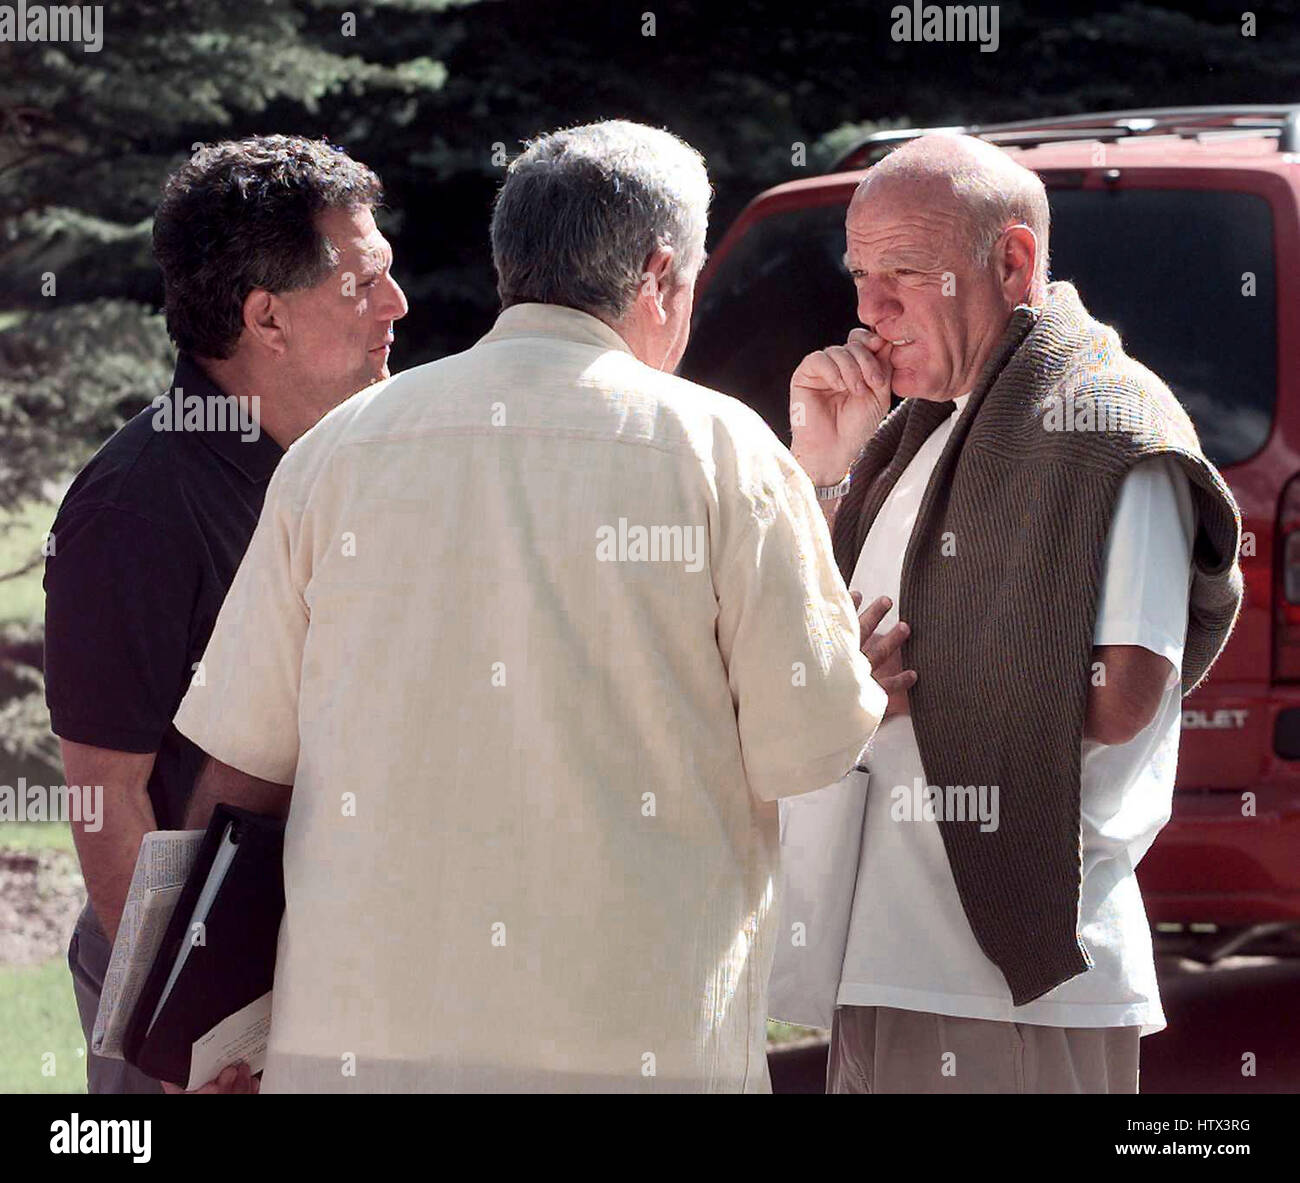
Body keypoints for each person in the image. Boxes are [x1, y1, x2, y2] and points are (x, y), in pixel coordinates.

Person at [172, 119, 886, 1093]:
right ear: (662, 274)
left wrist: (206, 1037)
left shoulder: (336, 453)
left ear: (515, 262)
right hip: (631, 1051)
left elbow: (238, 778)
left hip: (350, 1052)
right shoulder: (727, 453)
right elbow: (807, 747)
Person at [771, 133, 1243, 1093]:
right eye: (861, 274)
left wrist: (898, 688)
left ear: (1013, 260)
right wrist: (824, 471)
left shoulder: (1108, 423)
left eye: (903, 272)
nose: (869, 308)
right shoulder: (918, 433)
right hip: (890, 955)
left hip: (1009, 983)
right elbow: (830, 634)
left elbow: (1125, 695)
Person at [44, 134, 407, 1094]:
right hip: (188, 985)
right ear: (267, 318)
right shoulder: (135, 505)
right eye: (362, 283)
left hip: (330, 965)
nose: (396, 307)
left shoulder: (361, 461)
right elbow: (106, 795)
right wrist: (184, 1039)